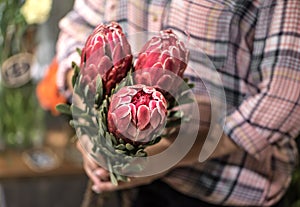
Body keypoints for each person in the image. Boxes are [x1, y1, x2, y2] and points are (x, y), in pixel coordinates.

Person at [55, 0, 300, 206]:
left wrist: (167, 155)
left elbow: (285, 96)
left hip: (223, 187)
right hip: (129, 189)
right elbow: (79, 28)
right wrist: (89, 123)